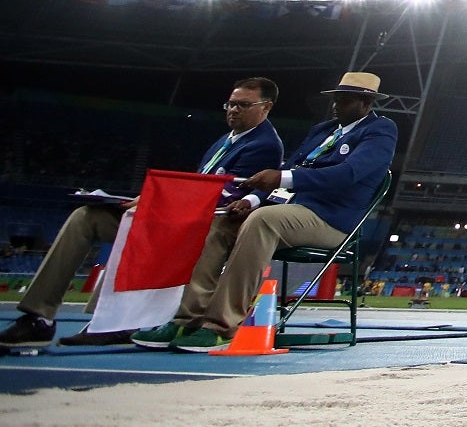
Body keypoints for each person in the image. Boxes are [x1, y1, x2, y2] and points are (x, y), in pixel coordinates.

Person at [0, 78, 285, 348]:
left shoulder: (265, 145)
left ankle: (118, 323)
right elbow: (200, 185)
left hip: (200, 223)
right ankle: (38, 315)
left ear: (266, 107)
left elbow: (222, 198)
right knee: (85, 217)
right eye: (230, 104)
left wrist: (154, 201)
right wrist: (149, 199)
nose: (234, 110)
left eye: (243, 105)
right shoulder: (226, 140)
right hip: (176, 216)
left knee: (133, 223)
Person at [131, 71, 397, 352]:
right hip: (291, 210)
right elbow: (289, 167)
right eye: (335, 99)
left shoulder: (380, 130)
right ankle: (187, 318)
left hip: (330, 219)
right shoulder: (323, 130)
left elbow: (349, 173)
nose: (335, 106)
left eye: (344, 100)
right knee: (220, 223)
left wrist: (283, 181)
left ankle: (221, 325)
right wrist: (253, 200)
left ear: (365, 103)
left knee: (263, 222)